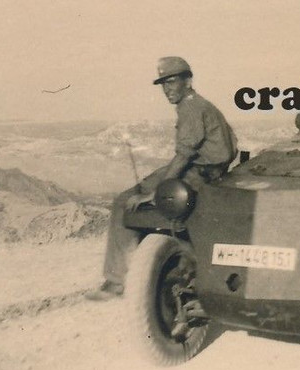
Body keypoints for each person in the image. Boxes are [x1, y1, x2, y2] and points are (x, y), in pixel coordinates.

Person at [86, 56, 237, 301]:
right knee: (137, 193)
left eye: (172, 82)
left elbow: (183, 156)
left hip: (197, 172)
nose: (167, 89)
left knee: (125, 203)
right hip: (202, 169)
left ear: (188, 81)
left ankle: (118, 281)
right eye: (164, 84)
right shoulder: (198, 104)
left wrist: (158, 192)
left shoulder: (191, 107)